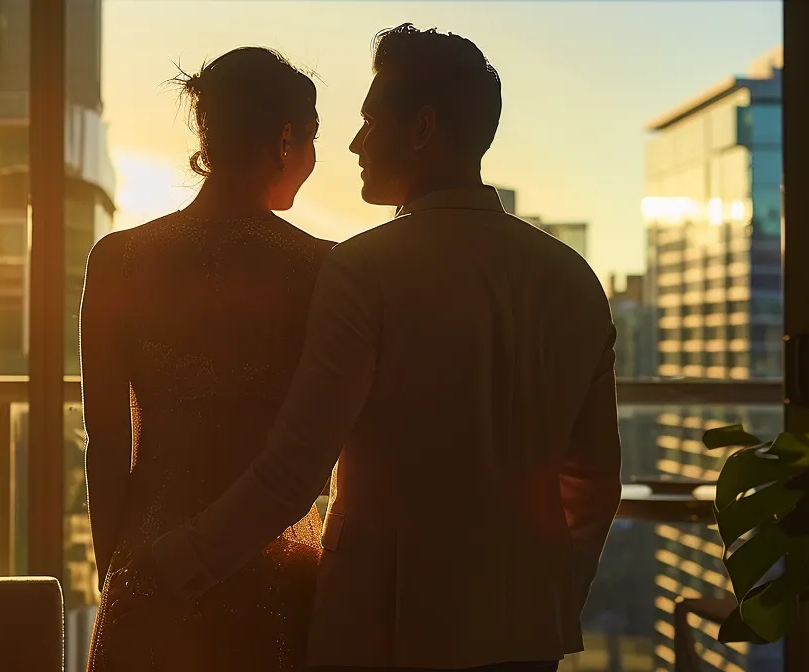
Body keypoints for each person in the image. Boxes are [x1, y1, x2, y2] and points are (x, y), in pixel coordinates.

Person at [130, 24, 623, 672]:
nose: (356, 143)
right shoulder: (572, 279)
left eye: (369, 121)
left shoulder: (367, 269)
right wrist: (549, 594)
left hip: (386, 627)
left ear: (421, 128)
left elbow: (294, 473)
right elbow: (593, 483)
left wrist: (174, 564)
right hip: (524, 634)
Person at [79, 46, 334, 671]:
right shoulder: (322, 269)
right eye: (311, 141)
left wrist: (119, 567)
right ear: (284, 140)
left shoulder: (117, 260)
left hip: (150, 548)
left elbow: (106, 443)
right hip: (274, 564)